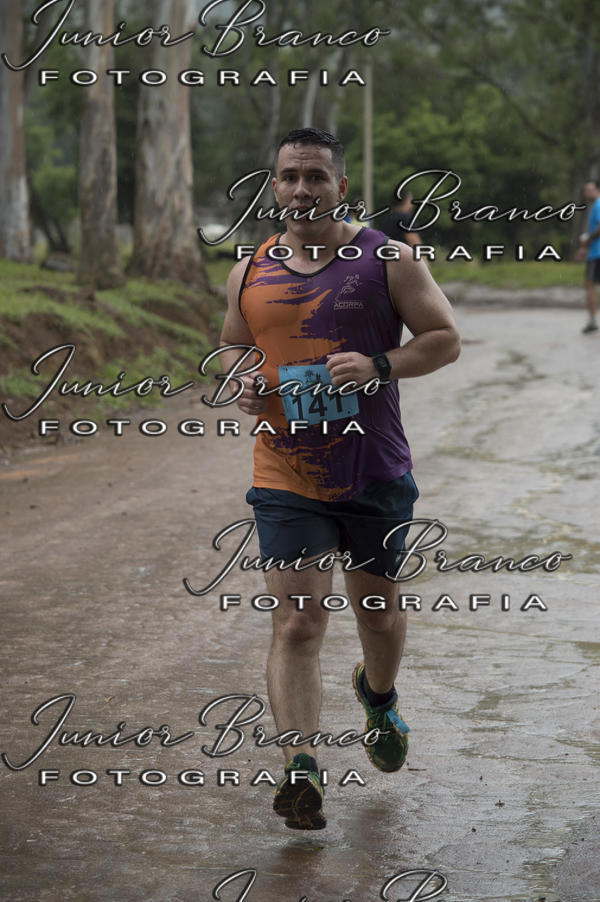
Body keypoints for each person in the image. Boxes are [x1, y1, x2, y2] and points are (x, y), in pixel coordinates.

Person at [219, 128, 460, 829]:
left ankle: (378, 698)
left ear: (341, 187)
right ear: (274, 186)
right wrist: (237, 377)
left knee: (377, 615)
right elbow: (234, 347)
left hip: (374, 471)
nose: (302, 188)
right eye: (290, 176)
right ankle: (300, 768)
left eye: (316, 177)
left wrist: (381, 364)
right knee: (298, 620)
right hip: (284, 470)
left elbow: (443, 338)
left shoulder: (387, 260)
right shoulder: (250, 269)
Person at [577, 179, 600, 334]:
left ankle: (592, 320)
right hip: (594, 252)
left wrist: (587, 240)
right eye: (586, 191)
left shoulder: (598, 205)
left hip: (597, 253)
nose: (587, 194)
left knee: (590, 285)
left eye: (589, 190)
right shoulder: (595, 206)